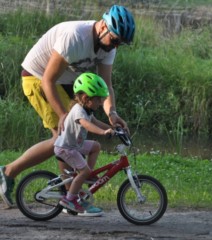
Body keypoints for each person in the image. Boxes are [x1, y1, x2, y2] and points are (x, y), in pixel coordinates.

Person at [0, 4, 135, 216]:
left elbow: (106, 86)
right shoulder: (75, 37)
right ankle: (10, 173)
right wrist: (64, 115)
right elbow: (47, 79)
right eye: (116, 40)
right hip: (37, 77)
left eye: (120, 43)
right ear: (103, 27)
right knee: (62, 138)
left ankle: (70, 192)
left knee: (71, 140)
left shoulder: (108, 47)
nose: (116, 46)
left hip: (67, 82)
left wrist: (113, 114)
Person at [55, 72, 114, 213]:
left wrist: (113, 128)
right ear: (86, 98)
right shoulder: (78, 111)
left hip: (75, 146)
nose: (101, 103)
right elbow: (87, 124)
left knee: (96, 146)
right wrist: (102, 132)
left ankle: (88, 174)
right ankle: (69, 199)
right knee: (84, 171)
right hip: (66, 148)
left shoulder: (87, 110)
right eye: (99, 100)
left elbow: (96, 122)